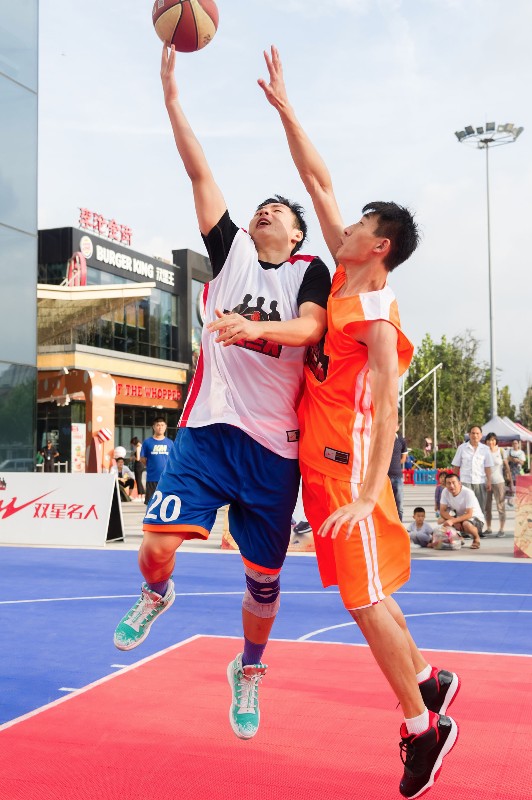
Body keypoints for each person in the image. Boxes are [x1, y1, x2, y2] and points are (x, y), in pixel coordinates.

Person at [114, 43, 330, 744]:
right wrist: (172, 98)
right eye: (261, 206)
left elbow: (310, 328)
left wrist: (255, 329)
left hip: (273, 451)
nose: (266, 211)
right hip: (209, 430)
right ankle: (156, 593)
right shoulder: (231, 250)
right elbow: (199, 169)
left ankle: (250, 667)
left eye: (279, 209)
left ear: (296, 232)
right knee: (154, 544)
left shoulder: (309, 271)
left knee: (264, 584)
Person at [258, 46, 459, 799]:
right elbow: (319, 180)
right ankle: (429, 679)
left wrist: (368, 493)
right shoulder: (344, 278)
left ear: (380, 246)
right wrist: (287, 111)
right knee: (371, 595)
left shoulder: (376, 311)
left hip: (351, 472)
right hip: (322, 464)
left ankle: (423, 726)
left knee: (365, 602)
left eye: (357, 226)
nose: (339, 228)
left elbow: (390, 405)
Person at [451, 425, 493, 511]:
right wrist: (454, 482)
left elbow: (487, 467)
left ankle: (479, 520)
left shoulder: (485, 449)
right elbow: (456, 466)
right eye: (473, 433)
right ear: (469, 434)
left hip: (480, 483)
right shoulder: (462, 448)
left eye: (477, 433)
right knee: (465, 508)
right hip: (465, 483)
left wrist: (489, 481)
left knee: (480, 509)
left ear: (481, 435)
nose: (475, 435)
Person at [439, 473, 484, 549]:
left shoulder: (468, 493)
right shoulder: (445, 492)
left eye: (453, 482)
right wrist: (454, 521)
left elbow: (469, 514)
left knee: (466, 524)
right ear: (445, 485)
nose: (451, 486)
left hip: (475, 519)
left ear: (459, 483)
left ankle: (476, 538)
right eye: (448, 483)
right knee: (442, 521)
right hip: (460, 518)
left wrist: (453, 521)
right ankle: (459, 538)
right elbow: (442, 511)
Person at [140, 418, 173, 506]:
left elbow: (173, 459)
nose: (160, 427)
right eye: (158, 425)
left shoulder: (170, 443)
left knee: (166, 503)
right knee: (151, 504)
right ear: (153, 427)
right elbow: (142, 459)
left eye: (162, 425)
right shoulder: (147, 442)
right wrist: (151, 466)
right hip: (152, 478)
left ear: (165, 427)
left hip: (167, 478)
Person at [484, 432, 510, 537]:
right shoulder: (483, 451)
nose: (491, 442)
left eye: (493, 440)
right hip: (486, 482)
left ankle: (501, 529)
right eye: (489, 440)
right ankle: (488, 528)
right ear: (486, 441)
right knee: (487, 507)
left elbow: (507, 467)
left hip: (499, 482)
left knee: (501, 506)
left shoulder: (501, 451)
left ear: (496, 441)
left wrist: (511, 483)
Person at [388, 425, 408, 521]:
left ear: (397, 427)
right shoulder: (383, 438)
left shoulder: (401, 440)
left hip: (397, 477)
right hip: (384, 477)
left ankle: (399, 524)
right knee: (385, 503)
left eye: (394, 425)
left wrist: (395, 464)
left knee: (399, 504)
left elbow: (404, 458)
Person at [507, 439, 526, 505]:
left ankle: (518, 501)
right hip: (511, 471)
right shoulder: (509, 451)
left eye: (516, 443)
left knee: (518, 487)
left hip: (518, 471)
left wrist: (518, 460)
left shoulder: (521, 452)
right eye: (513, 443)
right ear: (512, 444)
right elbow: (506, 460)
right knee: (511, 486)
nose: (514, 444)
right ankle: (510, 501)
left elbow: (523, 463)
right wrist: (512, 459)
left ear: (518, 444)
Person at [130, 437, 145, 501]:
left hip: (138, 464)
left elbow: (138, 458)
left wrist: (133, 458)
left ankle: (140, 495)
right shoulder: (142, 446)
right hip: (141, 465)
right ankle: (142, 495)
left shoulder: (138, 447)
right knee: (139, 480)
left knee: (138, 480)